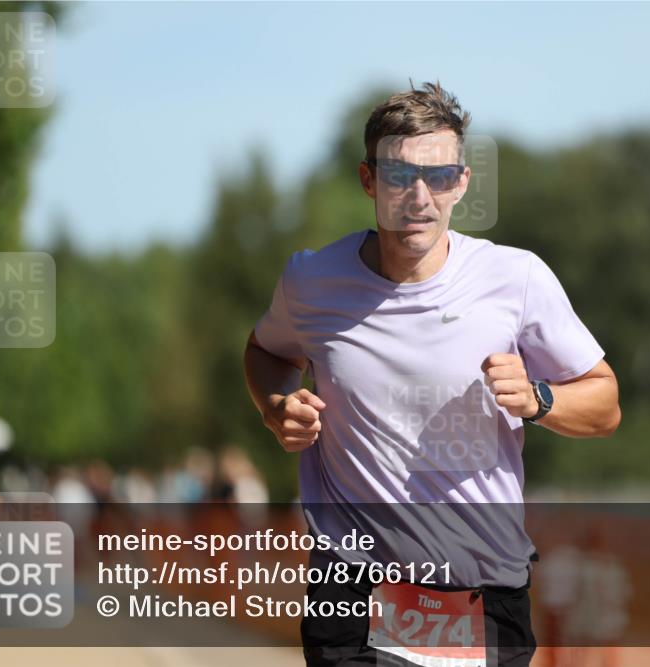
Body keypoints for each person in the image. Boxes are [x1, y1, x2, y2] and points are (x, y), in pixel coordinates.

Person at [244, 81, 621, 667]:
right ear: (369, 180)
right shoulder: (313, 281)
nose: (419, 197)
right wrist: (275, 407)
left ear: (462, 183)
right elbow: (266, 350)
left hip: (483, 592)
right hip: (354, 591)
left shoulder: (514, 279)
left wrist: (539, 398)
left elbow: (605, 403)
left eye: (439, 176)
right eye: (399, 176)